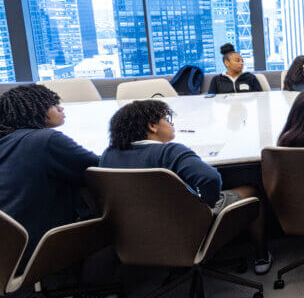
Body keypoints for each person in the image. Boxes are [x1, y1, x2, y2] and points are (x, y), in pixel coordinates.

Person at [100, 100, 272, 274]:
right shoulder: (169, 152)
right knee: (252, 192)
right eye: (167, 119)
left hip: (136, 234)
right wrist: (207, 204)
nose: (171, 123)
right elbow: (210, 179)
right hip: (185, 227)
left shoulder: (108, 156)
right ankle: (261, 255)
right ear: (152, 126)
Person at [0, 85, 98, 272]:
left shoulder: (6, 141)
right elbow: (100, 168)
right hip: (34, 246)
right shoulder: (46, 140)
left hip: (7, 247)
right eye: (53, 105)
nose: (61, 109)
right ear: (35, 110)